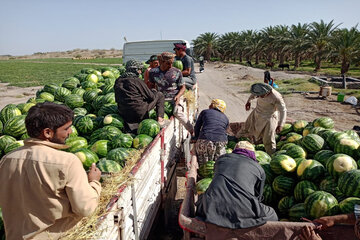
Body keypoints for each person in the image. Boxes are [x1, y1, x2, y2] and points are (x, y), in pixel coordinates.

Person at [0, 102, 102, 240]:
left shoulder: (6, 160)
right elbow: (85, 208)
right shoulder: (67, 161)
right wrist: (94, 182)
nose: (70, 132)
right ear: (47, 132)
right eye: (66, 129)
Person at [195, 141, 278, 229]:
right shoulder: (259, 169)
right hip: (243, 210)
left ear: (235, 151)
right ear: (252, 154)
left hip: (211, 205)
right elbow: (258, 197)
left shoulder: (221, 159)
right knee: (272, 214)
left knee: (201, 199)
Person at [114, 59, 166, 132]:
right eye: (139, 70)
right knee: (159, 95)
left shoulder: (118, 80)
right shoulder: (136, 80)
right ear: (135, 70)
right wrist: (154, 91)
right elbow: (151, 97)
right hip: (139, 112)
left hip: (123, 112)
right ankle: (160, 120)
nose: (140, 72)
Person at [149, 52, 194, 133]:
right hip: (160, 99)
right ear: (161, 62)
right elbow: (151, 86)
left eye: (172, 63)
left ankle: (192, 130)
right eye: (168, 63)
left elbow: (183, 87)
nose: (170, 65)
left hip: (174, 98)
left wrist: (178, 96)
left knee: (178, 112)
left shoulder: (177, 72)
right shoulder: (153, 72)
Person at [242, 83, 287, 154]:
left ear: (267, 92)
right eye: (258, 95)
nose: (259, 96)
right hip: (257, 113)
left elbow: (283, 111)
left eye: (260, 95)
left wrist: (281, 124)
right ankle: (243, 145)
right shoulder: (260, 91)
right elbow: (253, 94)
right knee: (247, 128)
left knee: (268, 139)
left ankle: (271, 154)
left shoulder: (276, 97)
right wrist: (249, 101)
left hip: (269, 118)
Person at [193, 99, 229, 164]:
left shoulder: (205, 112)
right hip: (221, 141)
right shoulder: (226, 118)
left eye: (211, 104)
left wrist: (196, 138)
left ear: (213, 105)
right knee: (219, 164)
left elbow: (197, 127)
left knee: (204, 165)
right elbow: (224, 131)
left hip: (205, 140)